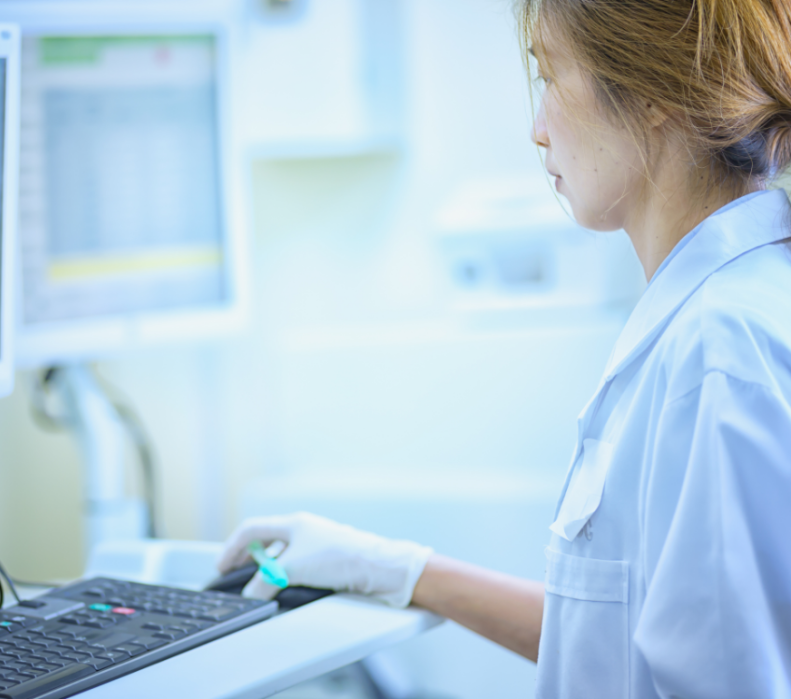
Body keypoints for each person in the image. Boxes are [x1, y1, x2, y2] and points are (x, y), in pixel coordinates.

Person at [218, 0, 791, 696]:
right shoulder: (712, 318)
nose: (538, 129)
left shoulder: (719, 351)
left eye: (551, 76)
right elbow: (623, 643)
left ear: (650, 96)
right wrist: (400, 570)